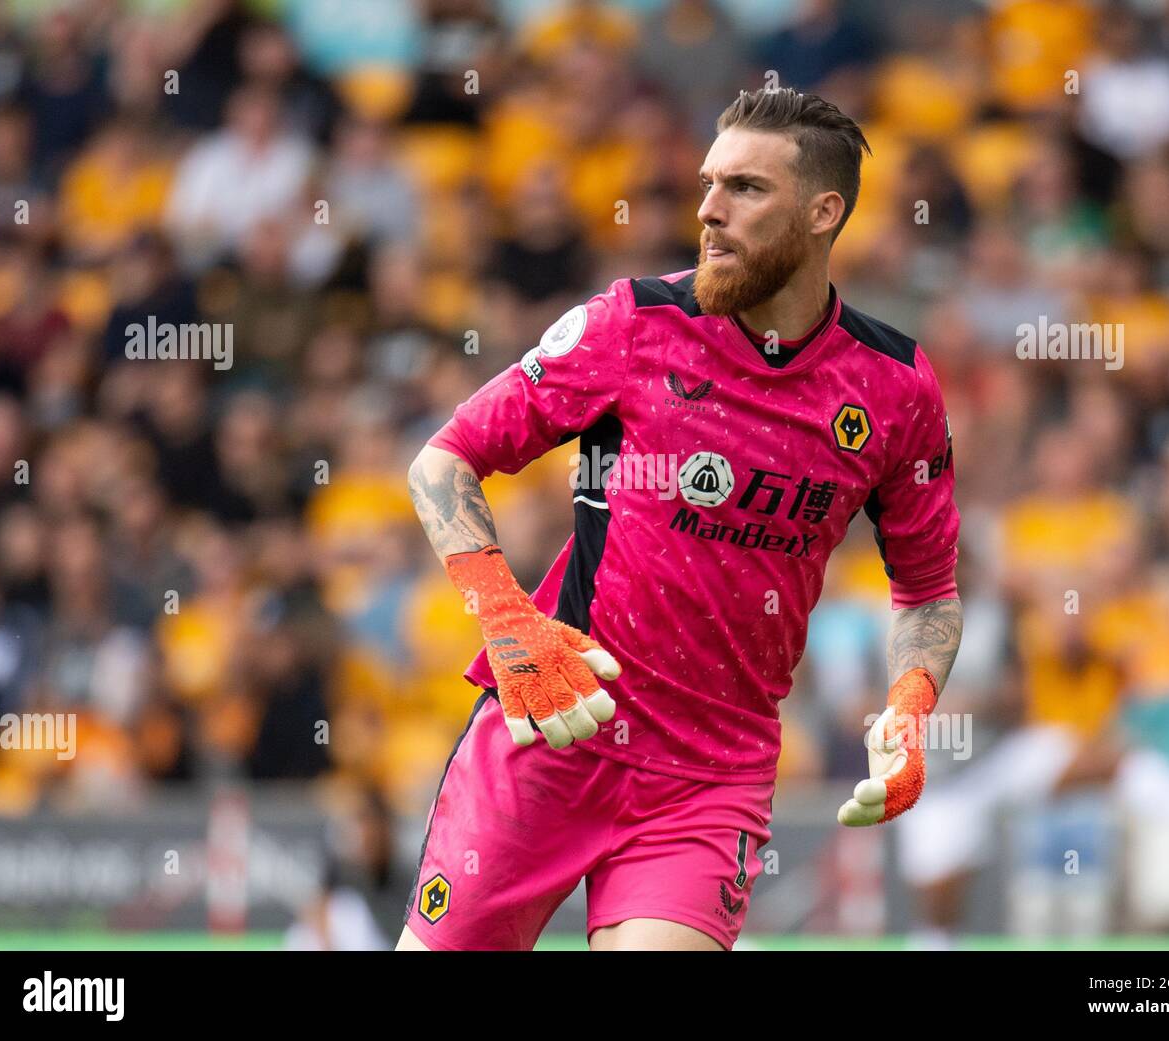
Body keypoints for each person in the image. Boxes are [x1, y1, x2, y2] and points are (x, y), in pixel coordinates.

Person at [398, 88, 962, 951]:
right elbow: (443, 460)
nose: (708, 209)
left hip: (708, 775)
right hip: (555, 728)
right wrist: (508, 618)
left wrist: (910, 707)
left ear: (824, 211)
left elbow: (927, 591)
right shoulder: (632, 325)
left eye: (745, 189)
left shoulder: (894, 386)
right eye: (708, 183)